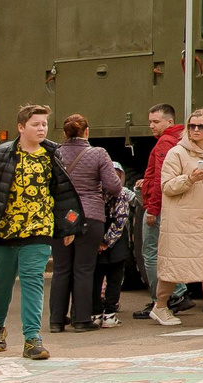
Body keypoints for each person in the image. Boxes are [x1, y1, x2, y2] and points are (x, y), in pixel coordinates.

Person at [0, 104, 84, 360]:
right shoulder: (0, 155)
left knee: (33, 281)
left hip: (39, 229)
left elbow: (63, 194)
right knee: (0, 286)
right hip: (6, 231)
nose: (41, 128)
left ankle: (32, 339)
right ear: (21, 127)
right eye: (35, 124)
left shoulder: (53, 153)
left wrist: (69, 225)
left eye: (44, 124)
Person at [155, 109, 203, 332]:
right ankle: (160, 306)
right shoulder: (176, 153)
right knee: (174, 267)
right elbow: (167, 186)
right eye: (192, 126)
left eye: (201, 126)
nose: (196, 130)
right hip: (181, 222)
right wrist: (189, 178)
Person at [49, 115, 125, 332]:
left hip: (61, 216)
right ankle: (81, 319)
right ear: (86, 132)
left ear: (64, 133)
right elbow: (114, 186)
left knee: (61, 269)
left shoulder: (54, 154)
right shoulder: (98, 153)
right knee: (83, 269)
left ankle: (56, 320)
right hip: (90, 215)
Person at [138, 102, 183, 325]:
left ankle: (162, 300)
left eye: (156, 122)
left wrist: (152, 209)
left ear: (169, 122)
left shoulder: (165, 142)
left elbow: (161, 180)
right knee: (170, 252)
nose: (151, 126)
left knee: (151, 254)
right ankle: (179, 291)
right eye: (150, 122)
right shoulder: (180, 140)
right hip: (172, 206)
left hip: (159, 206)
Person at [95, 180, 137, 317]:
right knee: (115, 278)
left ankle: (95, 312)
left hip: (96, 239)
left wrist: (100, 241)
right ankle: (110, 313)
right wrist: (107, 241)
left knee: (96, 276)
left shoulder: (92, 191)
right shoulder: (121, 193)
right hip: (117, 242)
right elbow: (121, 218)